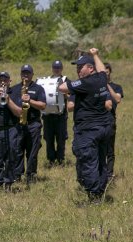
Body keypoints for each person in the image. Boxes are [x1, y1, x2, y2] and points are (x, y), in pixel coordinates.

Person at [59, 48, 113, 203]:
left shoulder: (85, 83)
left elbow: (62, 88)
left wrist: (65, 82)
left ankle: (94, 196)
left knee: (88, 161)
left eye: (80, 67)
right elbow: (102, 69)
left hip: (88, 130)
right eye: (76, 67)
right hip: (103, 127)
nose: (77, 70)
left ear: (90, 68)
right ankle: (100, 191)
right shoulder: (102, 78)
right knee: (100, 161)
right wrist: (95, 55)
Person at [10, 64, 46, 183]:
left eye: (28, 73)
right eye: (23, 73)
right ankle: (17, 174)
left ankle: (30, 174)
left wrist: (29, 100)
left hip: (33, 124)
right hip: (19, 124)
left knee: (32, 151)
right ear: (20, 74)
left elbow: (43, 105)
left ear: (32, 74)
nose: (25, 75)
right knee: (17, 150)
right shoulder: (15, 89)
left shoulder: (38, 88)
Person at [42, 60, 69, 166]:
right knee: (49, 138)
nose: (56, 69)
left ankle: (60, 159)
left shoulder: (66, 80)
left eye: (58, 68)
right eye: (55, 67)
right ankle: (51, 159)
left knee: (61, 138)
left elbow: (71, 95)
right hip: (48, 115)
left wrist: (65, 94)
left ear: (61, 69)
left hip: (61, 115)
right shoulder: (47, 81)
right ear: (52, 68)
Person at [104, 62, 123, 177]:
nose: (105, 75)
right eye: (103, 73)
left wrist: (106, 85)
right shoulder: (96, 87)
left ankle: (109, 174)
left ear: (110, 73)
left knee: (110, 150)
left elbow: (117, 99)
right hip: (97, 120)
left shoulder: (117, 87)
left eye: (107, 73)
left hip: (110, 120)